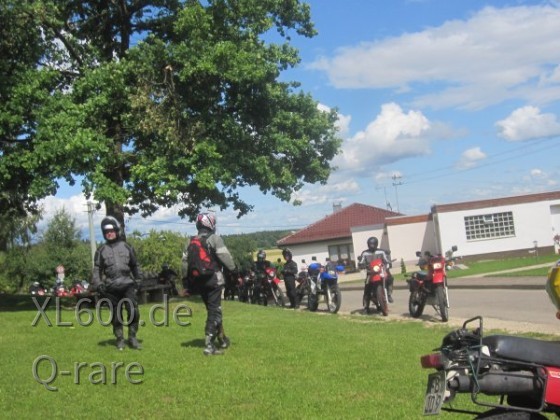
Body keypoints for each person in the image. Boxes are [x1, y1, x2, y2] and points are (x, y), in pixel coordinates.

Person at [182, 213, 236, 356]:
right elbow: (227, 259)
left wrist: (186, 284)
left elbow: (184, 265)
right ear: (211, 224)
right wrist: (234, 271)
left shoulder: (190, 241)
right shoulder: (214, 239)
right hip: (213, 280)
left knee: (212, 310)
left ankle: (222, 339)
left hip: (199, 282)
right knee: (214, 311)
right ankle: (209, 345)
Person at [91, 216, 142, 350]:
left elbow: (135, 265)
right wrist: (98, 284)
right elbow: (96, 270)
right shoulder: (100, 251)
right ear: (104, 234)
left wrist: (138, 281)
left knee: (133, 312)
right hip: (111, 287)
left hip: (128, 284)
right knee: (116, 315)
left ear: (116, 231)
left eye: (112, 230)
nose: (109, 233)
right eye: (107, 232)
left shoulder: (127, 247)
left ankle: (132, 337)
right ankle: (119, 338)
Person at [358, 236, 394, 306]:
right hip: (370, 272)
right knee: (367, 287)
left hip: (381, 271)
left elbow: (386, 259)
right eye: (370, 244)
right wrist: (361, 265)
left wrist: (389, 263)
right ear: (368, 245)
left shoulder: (381, 251)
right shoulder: (365, 253)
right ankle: (366, 305)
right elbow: (361, 261)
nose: (371, 246)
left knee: (390, 278)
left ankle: (389, 294)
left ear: (376, 244)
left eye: (373, 244)